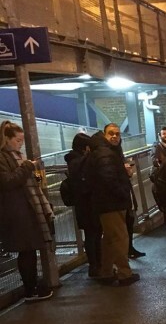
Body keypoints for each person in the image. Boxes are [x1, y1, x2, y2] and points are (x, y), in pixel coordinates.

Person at [0, 120, 54, 301]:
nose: (20, 144)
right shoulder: (3, 157)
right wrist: (26, 167)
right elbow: (8, 181)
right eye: (17, 140)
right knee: (26, 250)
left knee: (30, 249)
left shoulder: (16, 156)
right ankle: (30, 289)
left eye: (22, 140)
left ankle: (33, 286)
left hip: (25, 208)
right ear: (6, 139)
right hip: (15, 211)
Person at [85, 123, 139, 286]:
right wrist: (123, 191)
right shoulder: (106, 153)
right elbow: (108, 179)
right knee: (120, 238)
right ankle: (124, 273)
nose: (115, 136)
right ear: (104, 134)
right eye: (111, 133)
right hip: (111, 203)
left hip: (105, 203)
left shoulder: (103, 151)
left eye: (117, 133)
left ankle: (106, 272)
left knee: (109, 239)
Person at [65, 132, 102, 276]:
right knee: (93, 234)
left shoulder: (74, 160)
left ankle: (97, 264)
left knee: (94, 234)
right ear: (84, 147)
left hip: (86, 203)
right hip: (86, 203)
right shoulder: (77, 161)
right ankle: (95, 265)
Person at [124, 159, 146, 259]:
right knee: (124, 229)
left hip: (128, 201)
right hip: (123, 203)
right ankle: (126, 252)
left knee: (129, 226)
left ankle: (129, 249)